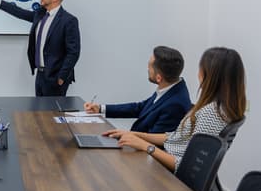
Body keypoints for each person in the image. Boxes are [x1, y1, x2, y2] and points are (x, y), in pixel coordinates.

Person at [104, 47, 246, 172]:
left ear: (210, 76)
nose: (198, 73)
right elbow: (174, 137)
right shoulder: (219, 108)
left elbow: (184, 165)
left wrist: (146, 146)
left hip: (168, 173)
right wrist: (134, 135)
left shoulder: (212, 114)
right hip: (164, 158)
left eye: (201, 69)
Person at [0, 0, 80, 96]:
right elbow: (19, 12)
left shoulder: (68, 20)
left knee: (53, 113)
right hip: (40, 75)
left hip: (56, 78)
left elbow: (73, 52)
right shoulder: (40, 14)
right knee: (39, 112)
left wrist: (61, 77)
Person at [85, 46, 192, 134]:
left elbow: (154, 139)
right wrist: (100, 109)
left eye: (149, 67)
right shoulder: (170, 86)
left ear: (159, 78)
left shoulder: (175, 104)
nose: (147, 69)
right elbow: (140, 108)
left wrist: (125, 135)